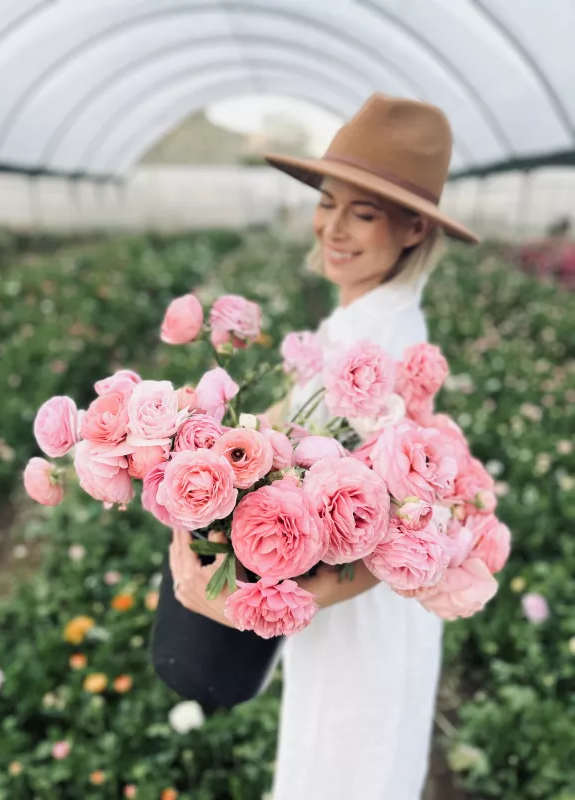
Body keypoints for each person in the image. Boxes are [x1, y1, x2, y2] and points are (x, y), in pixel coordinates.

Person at [169, 93, 479, 800]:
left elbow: (395, 530)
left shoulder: (391, 343)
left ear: (411, 229)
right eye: (329, 202)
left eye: (362, 213)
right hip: (329, 608)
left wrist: (232, 604)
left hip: (360, 614)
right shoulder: (359, 318)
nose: (333, 228)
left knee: (347, 771)